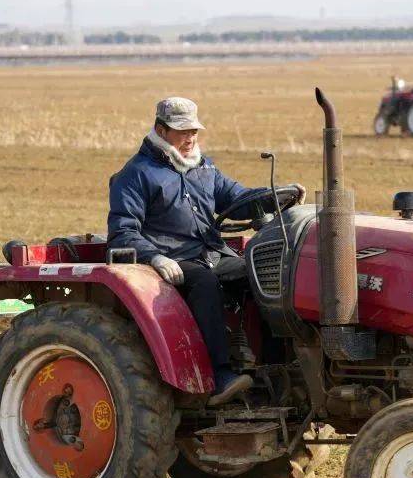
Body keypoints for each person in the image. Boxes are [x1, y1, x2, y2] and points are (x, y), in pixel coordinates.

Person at [107, 97, 304, 406]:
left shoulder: (204, 167)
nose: (191, 139)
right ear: (161, 130)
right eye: (183, 132)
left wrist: (273, 197)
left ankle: (276, 369)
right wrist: (155, 257)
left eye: (195, 132)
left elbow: (236, 198)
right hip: (173, 259)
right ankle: (219, 375)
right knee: (205, 283)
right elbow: (122, 232)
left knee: (264, 276)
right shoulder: (136, 174)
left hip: (213, 253)